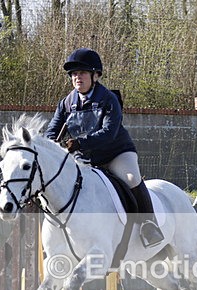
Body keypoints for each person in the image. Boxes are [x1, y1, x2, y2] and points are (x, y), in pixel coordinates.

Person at [45, 47, 164, 248]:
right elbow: (51, 132)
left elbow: (109, 133)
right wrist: (50, 148)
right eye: (74, 74)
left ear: (95, 75)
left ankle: (148, 225)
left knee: (131, 178)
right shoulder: (65, 104)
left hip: (116, 153)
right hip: (87, 159)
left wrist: (80, 143)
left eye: (81, 73)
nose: (77, 78)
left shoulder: (109, 99)